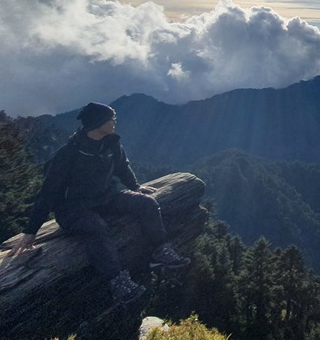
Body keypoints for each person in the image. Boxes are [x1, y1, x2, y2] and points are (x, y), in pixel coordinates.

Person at [10, 102, 189, 303]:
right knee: (97, 228)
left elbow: (122, 167)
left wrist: (136, 187)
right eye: (111, 119)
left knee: (146, 203)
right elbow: (48, 193)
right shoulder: (68, 154)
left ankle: (161, 249)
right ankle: (117, 281)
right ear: (97, 123)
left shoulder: (111, 144)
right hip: (71, 208)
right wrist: (31, 231)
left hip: (105, 197)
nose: (114, 122)